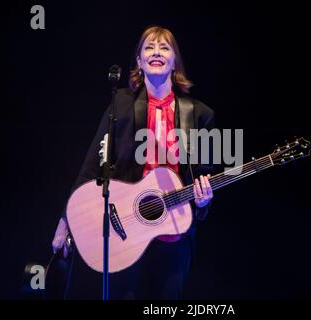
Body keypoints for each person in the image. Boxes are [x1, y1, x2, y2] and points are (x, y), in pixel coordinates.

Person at [51, 25, 215, 300]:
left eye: (165, 48)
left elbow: (204, 176)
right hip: (124, 227)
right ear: (139, 61)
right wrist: (65, 219)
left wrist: (203, 202)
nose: (157, 53)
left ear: (175, 61)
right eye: (149, 47)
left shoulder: (199, 114)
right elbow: (93, 163)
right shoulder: (121, 105)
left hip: (174, 231)